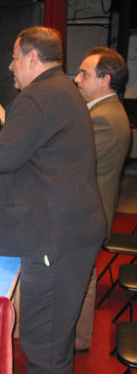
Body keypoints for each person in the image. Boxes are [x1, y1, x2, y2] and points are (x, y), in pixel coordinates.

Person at [0, 26, 106, 373]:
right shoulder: (62, 90)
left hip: (55, 240)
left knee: (45, 348)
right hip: (69, 232)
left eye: (14, 58)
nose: (10, 66)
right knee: (52, 341)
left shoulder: (37, 96)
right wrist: (0, 141)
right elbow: (33, 150)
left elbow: (3, 158)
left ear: (32, 58)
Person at [73, 46, 131, 353]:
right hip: (91, 210)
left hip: (88, 214)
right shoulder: (102, 112)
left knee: (80, 279)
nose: (77, 79)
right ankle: (78, 339)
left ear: (105, 79)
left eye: (84, 73)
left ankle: (79, 341)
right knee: (83, 276)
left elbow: (73, 160)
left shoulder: (104, 118)